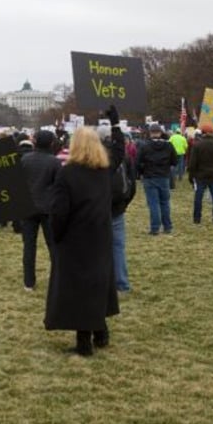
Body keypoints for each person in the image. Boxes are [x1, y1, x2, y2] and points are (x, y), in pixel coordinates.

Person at [44, 126, 119, 357]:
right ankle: (101, 332)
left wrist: (56, 235)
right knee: (99, 284)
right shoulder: (104, 172)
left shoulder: (67, 174)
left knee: (78, 290)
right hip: (100, 235)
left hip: (75, 239)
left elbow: (59, 211)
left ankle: (84, 341)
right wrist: (115, 126)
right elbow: (121, 152)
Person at [97, 106, 135, 293]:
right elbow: (131, 183)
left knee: (96, 249)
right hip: (116, 208)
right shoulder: (116, 158)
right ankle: (121, 284)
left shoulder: (90, 160)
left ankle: (99, 283)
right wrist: (115, 123)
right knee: (118, 247)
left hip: (96, 210)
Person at [19, 130, 60, 291]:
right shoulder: (54, 162)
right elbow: (59, 187)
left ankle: (28, 282)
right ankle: (57, 278)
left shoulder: (25, 159)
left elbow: (19, 182)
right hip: (48, 208)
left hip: (29, 207)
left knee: (29, 246)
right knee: (53, 246)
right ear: (51, 143)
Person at [137, 124, 178, 235]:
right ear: (160, 133)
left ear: (150, 133)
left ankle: (155, 228)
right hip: (164, 176)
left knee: (153, 203)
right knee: (165, 202)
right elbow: (175, 161)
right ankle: (167, 227)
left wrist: (140, 173)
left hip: (149, 177)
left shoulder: (145, 146)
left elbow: (138, 162)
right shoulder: (168, 145)